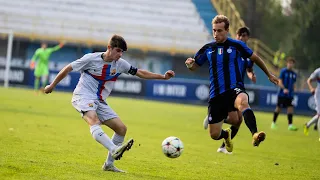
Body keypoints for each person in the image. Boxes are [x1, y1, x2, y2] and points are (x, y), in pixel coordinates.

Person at [44, 34, 175, 172]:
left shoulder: (121, 64)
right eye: (118, 50)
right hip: (82, 96)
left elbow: (140, 73)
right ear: (109, 48)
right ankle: (114, 149)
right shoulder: (90, 58)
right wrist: (52, 85)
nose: (120, 54)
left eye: (122, 52)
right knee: (93, 120)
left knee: (121, 129)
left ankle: (109, 165)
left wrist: (163, 77)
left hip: (99, 101)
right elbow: (68, 68)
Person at [185, 15, 278, 153]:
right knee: (214, 134)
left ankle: (255, 134)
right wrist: (189, 65)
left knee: (243, 103)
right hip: (216, 94)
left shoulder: (237, 45)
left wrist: (269, 74)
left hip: (234, 89)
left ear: (227, 30)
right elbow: (195, 67)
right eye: (214, 30)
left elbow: (255, 58)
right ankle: (226, 135)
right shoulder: (208, 48)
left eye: (220, 31)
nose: (216, 34)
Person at [202, 26, 257, 154]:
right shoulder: (231, 49)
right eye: (240, 35)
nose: (242, 37)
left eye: (245, 36)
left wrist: (251, 75)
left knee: (238, 120)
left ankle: (223, 145)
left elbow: (249, 69)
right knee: (236, 120)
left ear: (248, 38)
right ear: (236, 36)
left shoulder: (247, 54)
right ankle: (214, 119)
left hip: (238, 87)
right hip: (228, 89)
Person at [271, 57, 298, 131]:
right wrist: (284, 89)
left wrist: (294, 89)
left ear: (293, 64)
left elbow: (293, 84)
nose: (290, 64)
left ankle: (290, 125)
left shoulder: (294, 74)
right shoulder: (283, 71)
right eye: (289, 63)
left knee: (290, 108)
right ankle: (273, 123)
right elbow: (279, 81)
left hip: (290, 95)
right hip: (282, 94)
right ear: (287, 63)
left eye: (292, 63)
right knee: (279, 108)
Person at [304, 67, 320, 139]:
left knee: (319, 114)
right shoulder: (318, 71)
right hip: (319, 94)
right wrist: (311, 88)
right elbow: (309, 80)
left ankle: (307, 125)